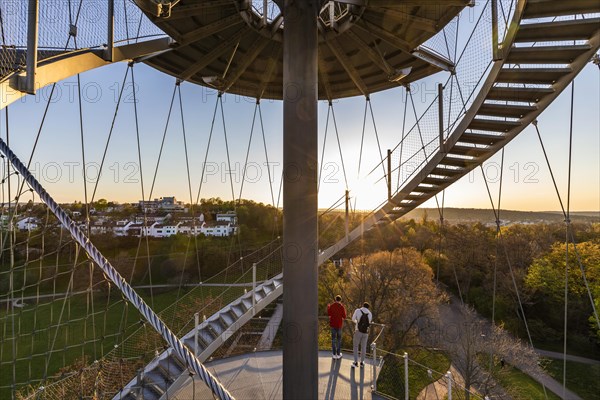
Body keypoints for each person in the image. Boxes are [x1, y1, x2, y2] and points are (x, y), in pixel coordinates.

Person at [351, 302, 372, 368]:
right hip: (365, 332)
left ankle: (355, 362)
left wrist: (357, 323)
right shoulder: (370, 313)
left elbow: (353, 319)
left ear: (362, 306)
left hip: (358, 331)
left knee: (356, 346)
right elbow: (369, 323)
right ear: (368, 307)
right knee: (363, 347)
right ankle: (362, 362)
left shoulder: (357, 310)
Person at [327, 295, 347, 359]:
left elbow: (329, 314)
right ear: (340, 300)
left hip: (333, 325)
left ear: (335, 299)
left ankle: (333, 354)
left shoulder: (332, 306)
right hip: (339, 325)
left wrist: (328, 307)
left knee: (333, 340)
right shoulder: (341, 307)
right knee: (338, 340)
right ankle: (338, 354)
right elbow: (344, 316)